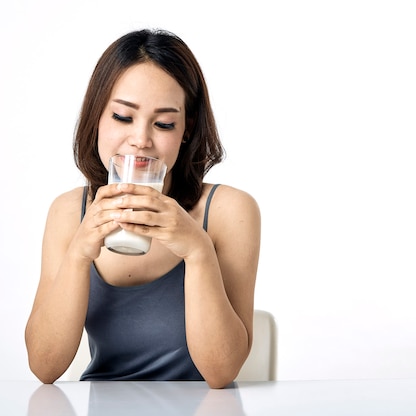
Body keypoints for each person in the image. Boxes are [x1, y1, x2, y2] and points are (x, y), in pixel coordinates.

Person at [25, 28, 261, 389]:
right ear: (97, 119)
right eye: (122, 117)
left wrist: (197, 250)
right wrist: (78, 254)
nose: (141, 139)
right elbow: (45, 367)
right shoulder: (69, 211)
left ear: (185, 129)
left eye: (164, 123)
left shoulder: (229, 211)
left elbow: (221, 373)